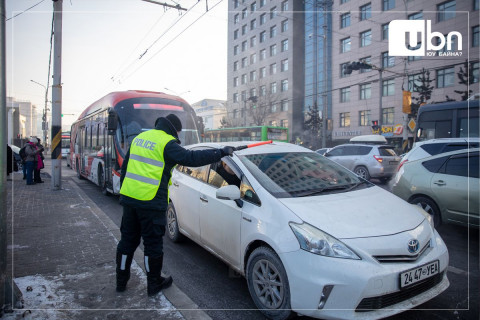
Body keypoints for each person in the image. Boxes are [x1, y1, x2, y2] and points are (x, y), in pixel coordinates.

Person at [116, 113, 235, 296]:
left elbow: (125, 168)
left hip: (130, 200)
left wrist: (124, 195)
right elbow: (191, 159)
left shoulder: (140, 138)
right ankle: (154, 283)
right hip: (151, 202)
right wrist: (220, 153)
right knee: (152, 245)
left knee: (127, 242)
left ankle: (121, 282)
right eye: (177, 132)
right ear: (174, 130)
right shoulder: (167, 143)